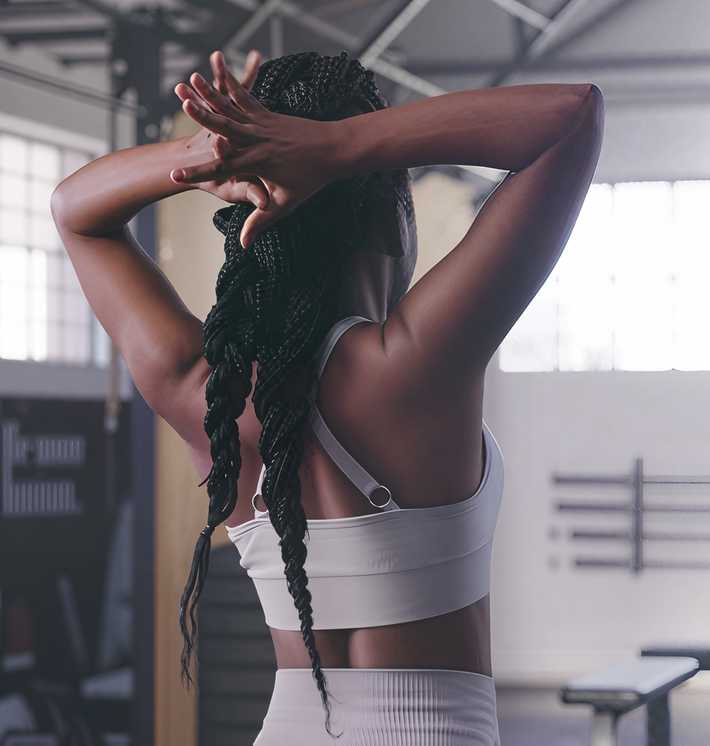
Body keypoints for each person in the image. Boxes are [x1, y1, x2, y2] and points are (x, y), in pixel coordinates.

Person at [50, 47, 603, 744]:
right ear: (393, 215)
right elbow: (570, 118)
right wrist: (340, 145)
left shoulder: (202, 389)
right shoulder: (413, 365)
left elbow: (74, 209)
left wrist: (205, 152)